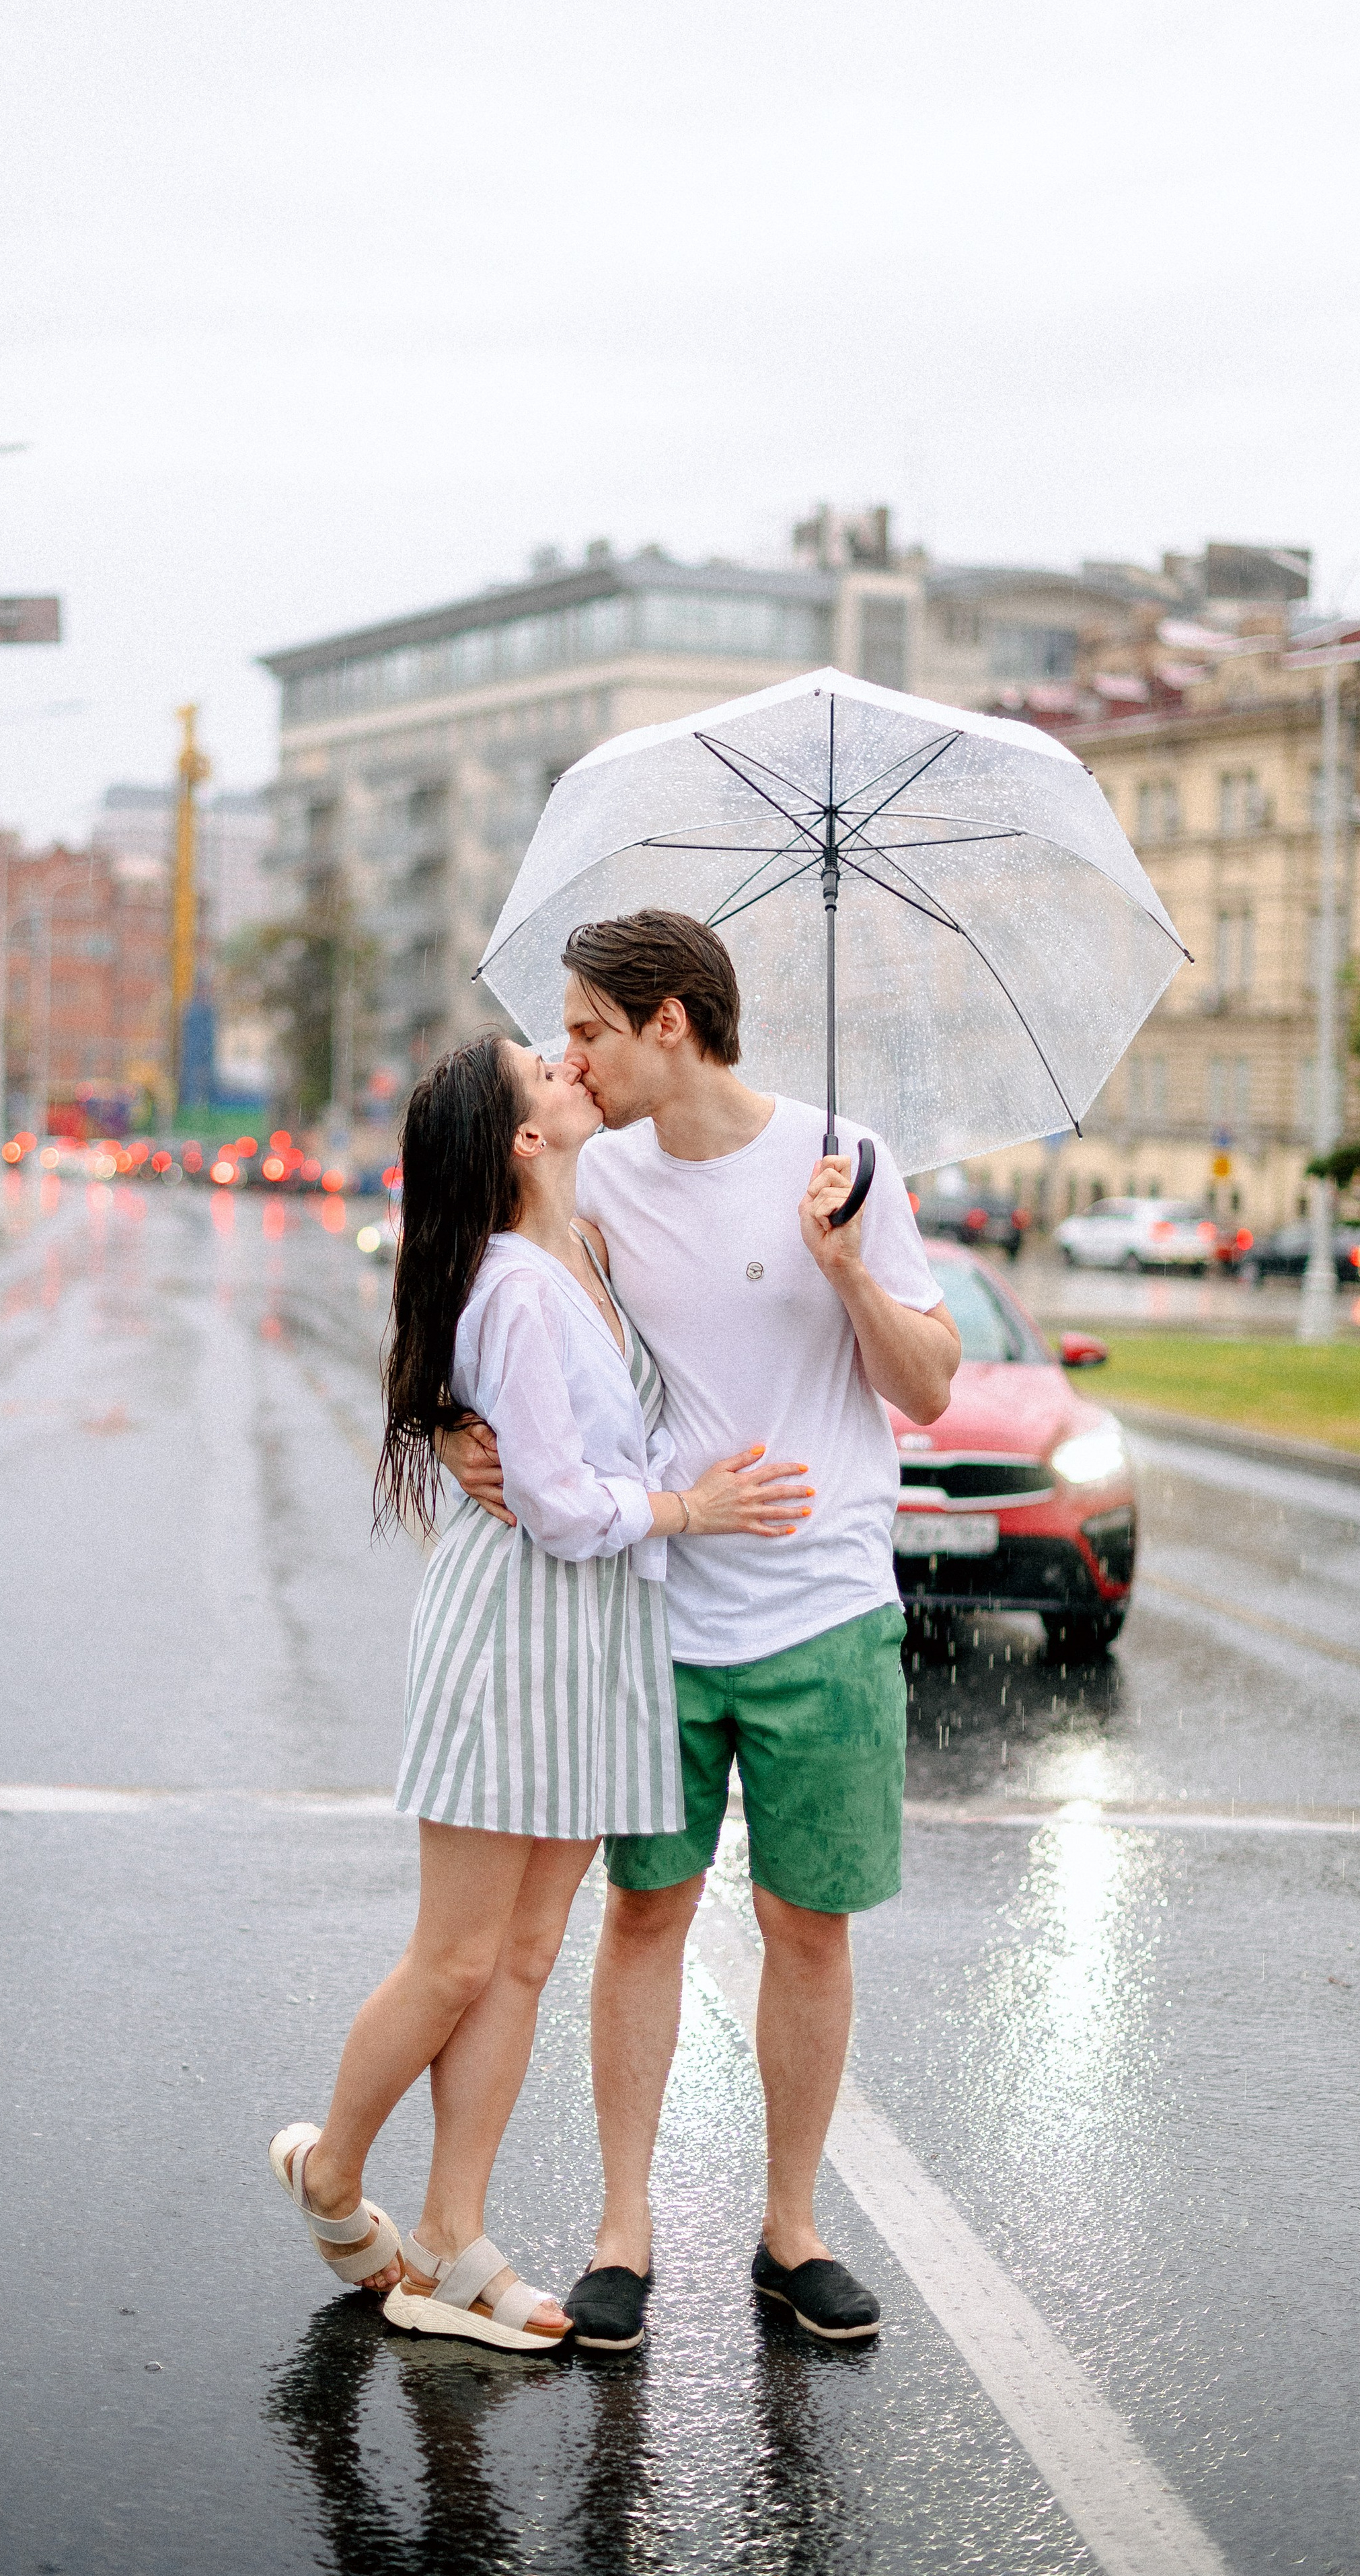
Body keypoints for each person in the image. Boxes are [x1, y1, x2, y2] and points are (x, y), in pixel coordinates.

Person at [442, 911, 960, 2349]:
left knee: (807, 1925)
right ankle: (624, 2227)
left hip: (826, 1608)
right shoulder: (588, 1170)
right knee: (646, 1911)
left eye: (590, 1031)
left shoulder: (843, 1162)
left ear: (669, 1020)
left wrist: (848, 1263)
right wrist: (447, 1427)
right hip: (654, 1609)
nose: (570, 1058)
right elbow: (477, 1301)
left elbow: (924, 1389)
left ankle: (790, 2230)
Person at [271, 1029, 812, 2354]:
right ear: (521, 1137)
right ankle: (335, 2170)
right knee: (455, 1953)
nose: (572, 1068)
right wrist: (693, 1508)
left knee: (521, 1957)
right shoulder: (513, 1283)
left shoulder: (584, 1249)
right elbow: (561, 1505)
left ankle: (451, 2238)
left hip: (590, 1648)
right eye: (545, 1068)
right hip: (515, 1631)